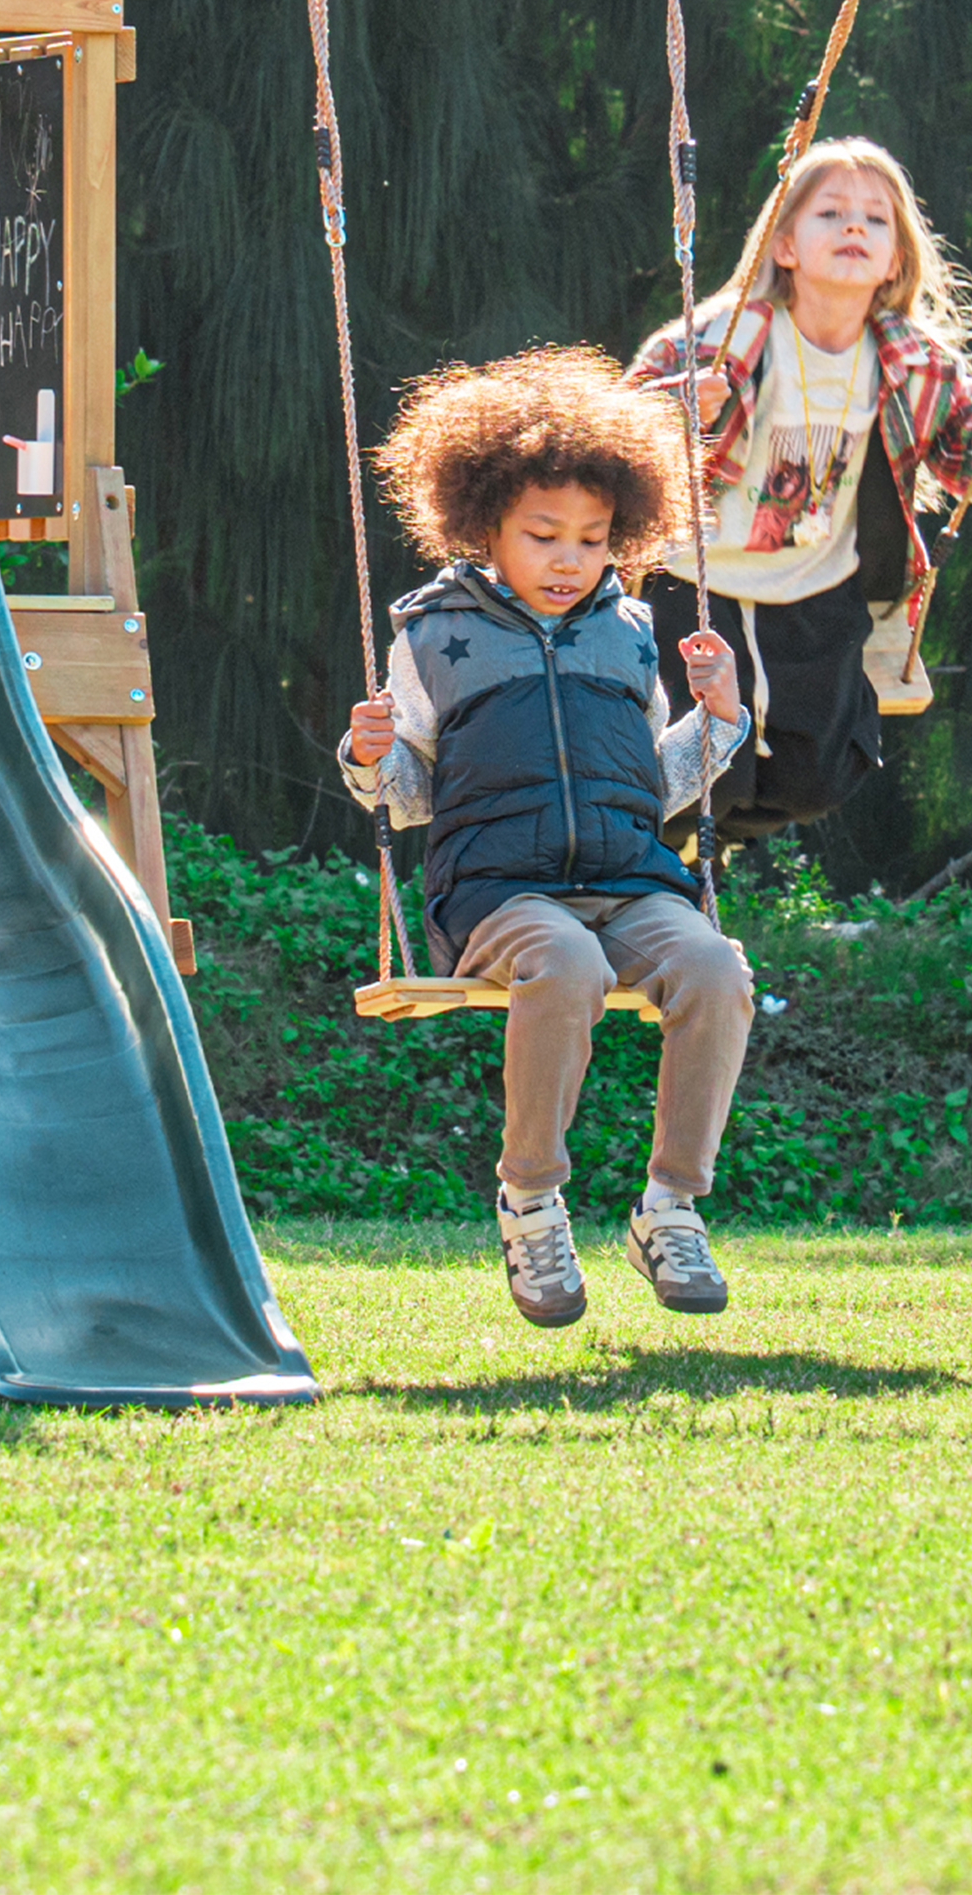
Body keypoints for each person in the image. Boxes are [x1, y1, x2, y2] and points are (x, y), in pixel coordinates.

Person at [341, 346, 754, 1329]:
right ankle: (530, 1199)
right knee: (563, 964)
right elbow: (406, 798)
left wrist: (723, 720)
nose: (570, 559)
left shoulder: (629, 631)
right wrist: (370, 755)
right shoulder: (434, 633)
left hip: (631, 879)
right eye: (543, 535)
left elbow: (653, 785)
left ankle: (671, 1206)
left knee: (715, 970)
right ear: (488, 526)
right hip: (501, 892)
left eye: (593, 538)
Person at [625, 135, 972, 843]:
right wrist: (675, 408)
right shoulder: (713, 342)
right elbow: (615, 445)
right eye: (830, 213)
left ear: (895, 259)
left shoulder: (914, 365)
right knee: (703, 774)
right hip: (694, 582)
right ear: (786, 247)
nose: (854, 226)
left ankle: (711, 844)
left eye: (875, 219)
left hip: (814, 589)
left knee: (815, 780)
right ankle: (668, 864)